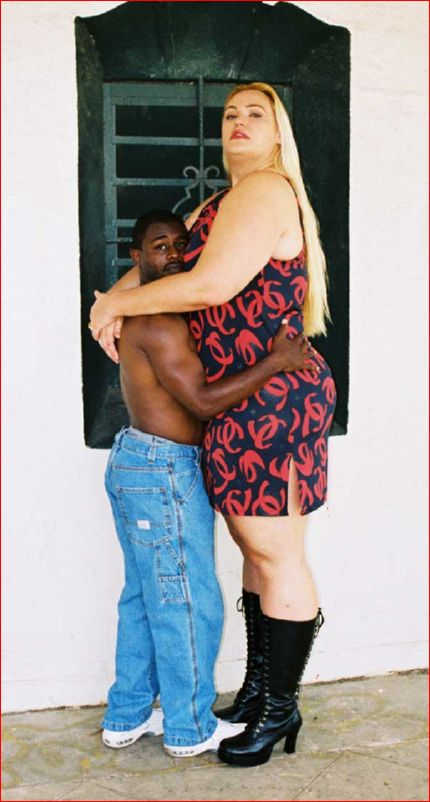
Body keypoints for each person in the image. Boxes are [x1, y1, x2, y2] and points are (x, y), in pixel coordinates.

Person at [90, 82, 337, 768]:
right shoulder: (216, 204)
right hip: (234, 400)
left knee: (276, 554)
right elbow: (163, 270)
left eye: (256, 113)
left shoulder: (266, 191)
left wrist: (114, 306)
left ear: (279, 132)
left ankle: (280, 708)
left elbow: (210, 285)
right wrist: (113, 301)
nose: (239, 121)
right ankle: (259, 694)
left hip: (272, 396)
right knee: (257, 552)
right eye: (231, 114)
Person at [100, 208, 314, 759]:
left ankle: (126, 715)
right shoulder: (160, 323)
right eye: (160, 246)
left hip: (140, 463)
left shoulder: (153, 314)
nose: (174, 254)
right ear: (136, 258)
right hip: (162, 470)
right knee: (187, 602)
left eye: (180, 245)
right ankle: (190, 728)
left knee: (144, 599)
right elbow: (201, 401)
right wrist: (276, 362)